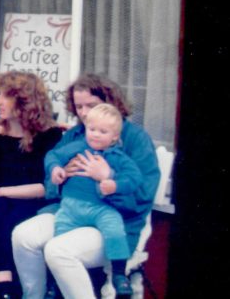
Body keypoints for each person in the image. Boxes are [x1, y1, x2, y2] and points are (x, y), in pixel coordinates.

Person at [11, 74, 160, 299]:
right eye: (79, 106)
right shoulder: (76, 135)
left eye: (91, 105)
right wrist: (62, 177)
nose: (85, 113)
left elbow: (141, 197)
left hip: (116, 222)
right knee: (23, 236)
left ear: (110, 102)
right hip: (72, 212)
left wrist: (106, 179)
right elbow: (50, 185)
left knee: (58, 250)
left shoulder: (136, 139)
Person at [0, 71, 63, 299]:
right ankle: (5, 289)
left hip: (34, 203)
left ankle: (2, 292)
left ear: (24, 101)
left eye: (5, 96)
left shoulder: (49, 135)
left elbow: (45, 188)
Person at [44, 104, 141, 297]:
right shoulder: (78, 146)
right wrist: (55, 169)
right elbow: (53, 155)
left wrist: (114, 184)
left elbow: (134, 178)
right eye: (92, 129)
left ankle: (119, 274)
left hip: (100, 207)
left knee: (114, 227)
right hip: (70, 207)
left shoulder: (118, 157)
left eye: (103, 131)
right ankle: (55, 284)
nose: (95, 135)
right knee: (58, 238)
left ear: (114, 137)